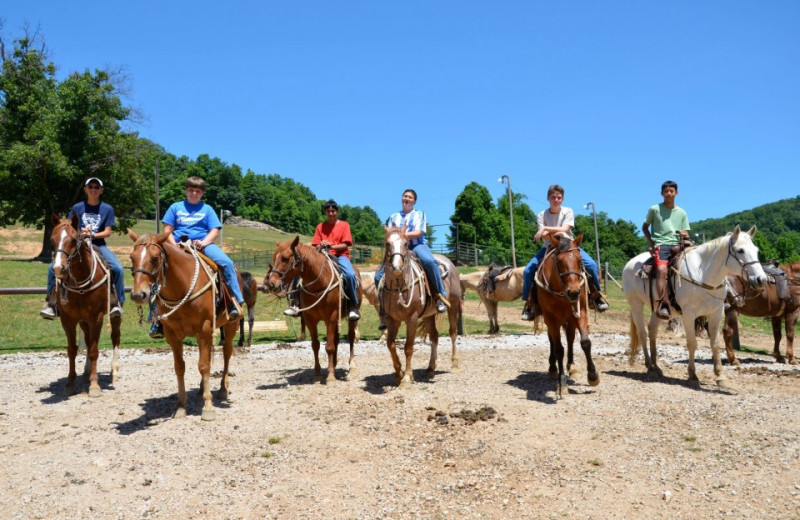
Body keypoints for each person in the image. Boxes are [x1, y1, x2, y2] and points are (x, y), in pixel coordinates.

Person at [149, 176, 244, 338]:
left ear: (202, 193)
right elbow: (167, 230)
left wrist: (204, 242)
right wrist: (174, 245)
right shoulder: (175, 207)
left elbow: (214, 230)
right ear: (186, 190)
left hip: (203, 245)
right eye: (191, 190)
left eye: (197, 191)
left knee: (227, 264)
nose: (194, 193)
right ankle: (156, 319)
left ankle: (235, 303)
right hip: (177, 246)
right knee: (155, 270)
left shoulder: (207, 209)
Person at [40, 177, 125, 320]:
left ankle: (116, 303)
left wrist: (92, 233)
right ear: (85, 189)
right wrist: (80, 233)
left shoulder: (107, 209)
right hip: (78, 244)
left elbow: (108, 231)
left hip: (99, 244)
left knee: (117, 268)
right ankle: (51, 303)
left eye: (96, 187)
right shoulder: (77, 207)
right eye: (90, 187)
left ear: (101, 191)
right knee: (51, 268)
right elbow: (68, 227)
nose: (93, 189)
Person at [520, 184, 609, 321]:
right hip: (549, 247)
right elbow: (545, 237)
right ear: (548, 198)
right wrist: (558, 231)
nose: (556, 200)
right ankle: (530, 304)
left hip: (569, 246)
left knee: (591, 264)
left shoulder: (568, 211)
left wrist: (545, 228)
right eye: (553, 197)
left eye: (559, 197)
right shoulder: (542, 214)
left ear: (562, 199)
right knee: (528, 271)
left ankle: (596, 297)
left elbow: (565, 228)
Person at [375, 189, 448, 330]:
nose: (407, 199)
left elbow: (420, 232)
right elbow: (390, 234)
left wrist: (403, 235)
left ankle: (440, 296)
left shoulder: (419, 214)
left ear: (414, 201)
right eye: (405, 196)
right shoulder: (393, 217)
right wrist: (397, 239)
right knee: (378, 276)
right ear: (402, 198)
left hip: (417, 246)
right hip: (398, 249)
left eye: (410, 197)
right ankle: (384, 309)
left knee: (430, 262)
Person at [283, 199, 360, 321]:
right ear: (325, 213)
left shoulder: (344, 225)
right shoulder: (320, 227)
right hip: (321, 256)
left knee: (350, 275)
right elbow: (315, 245)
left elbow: (346, 245)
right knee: (299, 273)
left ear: (337, 212)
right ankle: (295, 303)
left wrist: (331, 246)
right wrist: (321, 246)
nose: (331, 214)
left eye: (333, 211)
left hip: (340, 256)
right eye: (328, 211)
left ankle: (352, 306)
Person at [642, 180, 690, 319]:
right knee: (662, 270)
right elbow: (644, 227)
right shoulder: (654, 209)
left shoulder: (681, 212)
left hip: (679, 244)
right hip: (662, 245)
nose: (669, 194)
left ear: (677, 193)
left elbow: (686, 232)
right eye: (666, 191)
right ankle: (663, 303)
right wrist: (652, 242)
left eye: (672, 191)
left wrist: (684, 234)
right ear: (662, 193)